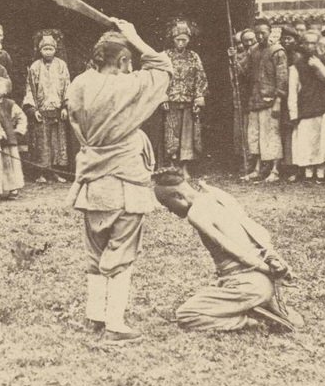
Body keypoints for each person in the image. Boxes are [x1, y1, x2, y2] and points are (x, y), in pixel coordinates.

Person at [66, 20, 170, 345]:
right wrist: (136, 37)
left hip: (92, 181)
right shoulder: (131, 85)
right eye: (129, 61)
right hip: (125, 183)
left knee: (95, 252)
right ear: (124, 61)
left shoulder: (79, 83)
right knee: (122, 252)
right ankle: (115, 324)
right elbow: (164, 66)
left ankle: (95, 317)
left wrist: (92, 144)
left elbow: (71, 118)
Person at [154, 171, 301, 333]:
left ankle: (253, 321)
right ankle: (266, 305)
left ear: (178, 196)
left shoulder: (195, 213)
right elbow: (256, 232)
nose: (169, 211)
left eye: (167, 205)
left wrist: (269, 271)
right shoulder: (216, 194)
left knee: (187, 315)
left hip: (248, 284)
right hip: (263, 282)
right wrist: (275, 266)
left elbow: (235, 251)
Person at [234, 18, 288, 183]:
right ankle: (257, 168)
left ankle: (275, 170)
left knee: (271, 135)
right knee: (255, 136)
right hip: (255, 99)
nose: (259, 36)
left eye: (263, 33)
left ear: (270, 32)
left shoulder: (277, 51)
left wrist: (278, 100)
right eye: (257, 33)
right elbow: (244, 72)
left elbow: (282, 78)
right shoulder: (253, 51)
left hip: (270, 99)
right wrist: (234, 59)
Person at [287, 29, 325, 183]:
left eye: (313, 43)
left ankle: (320, 173)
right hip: (306, 108)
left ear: (318, 44)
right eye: (307, 43)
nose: (310, 46)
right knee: (307, 141)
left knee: (323, 141)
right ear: (302, 45)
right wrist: (293, 113)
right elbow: (292, 92)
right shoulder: (296, 66)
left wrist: (317, 66)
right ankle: (309, 173)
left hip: (323, 107)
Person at [23, 32, 71, 184]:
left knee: (57, 143)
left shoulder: (61, 65)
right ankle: (41, 173)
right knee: (42, 143)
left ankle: (55, 173)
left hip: (57, 109)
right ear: (40, 50)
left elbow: (67, 86)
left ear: (55, 50)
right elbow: (30, 88)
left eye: (51, 49)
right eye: (45, 49)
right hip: (41, 110)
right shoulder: (35, 67)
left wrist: (65, 106)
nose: (48, 52)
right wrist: (33, 110)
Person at [163, 22, 208, 178]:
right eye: (178, 40)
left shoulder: (193, 56)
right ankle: (172, 165)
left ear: (188, 40)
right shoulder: (166, 56)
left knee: (188, 135)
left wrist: (199, 97)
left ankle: (184, 167)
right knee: (171, 133)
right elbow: (161, 77)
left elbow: (200, 77)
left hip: (189, 101)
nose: (181, 43)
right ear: (173, 39)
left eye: (184, 40)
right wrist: (163, 96)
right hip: (172, 100)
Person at [0, 77, 27, 197]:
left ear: (6, 90)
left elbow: (21, 117)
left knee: (11, 164)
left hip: (9, 138)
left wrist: (18, 131)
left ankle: (13, 188)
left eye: (0, 87)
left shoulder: (10, 104)